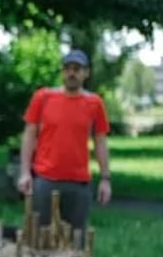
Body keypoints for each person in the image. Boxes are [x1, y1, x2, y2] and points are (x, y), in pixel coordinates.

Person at [17, 49, 112, 240]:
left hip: (78, 183)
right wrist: (25, 172)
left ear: (86, 73)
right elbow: (29, 135)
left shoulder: (94, 103)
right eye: (67, 68)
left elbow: (100, 141)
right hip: (45, 179)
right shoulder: (43, 98)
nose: (71, 73)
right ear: (62, 72)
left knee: (75, 241)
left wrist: (105, 178)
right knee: (40, 237)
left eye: (77, 69)